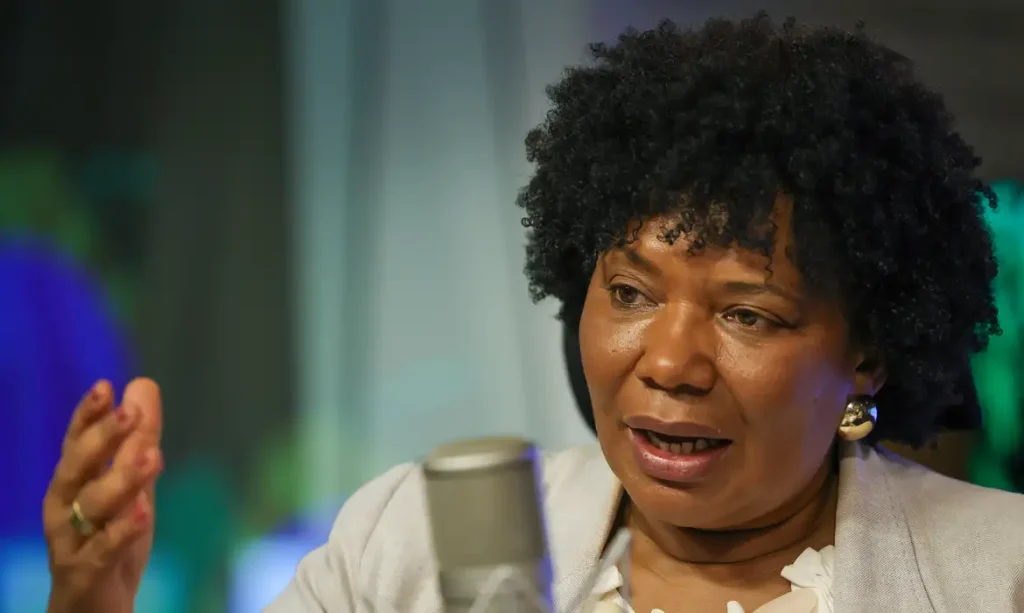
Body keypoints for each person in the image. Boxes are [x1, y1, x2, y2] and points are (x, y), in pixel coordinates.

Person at [43, 14, 1024, 613]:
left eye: (748, 314)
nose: (670, 361)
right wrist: (93, 599)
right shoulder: (412, 541)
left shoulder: (998, 574)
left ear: (868, 352)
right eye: (631, 292)